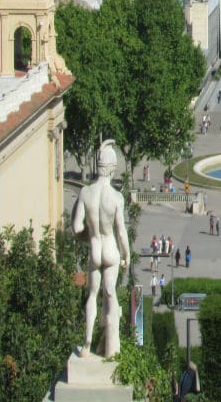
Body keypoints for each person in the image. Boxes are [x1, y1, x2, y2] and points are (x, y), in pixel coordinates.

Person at [72, 140, 130, 358]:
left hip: (95, 249)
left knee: (92, 295)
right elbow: (121, 231)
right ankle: (111, 347)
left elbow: (77, 227)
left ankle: (87, 342)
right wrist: (127, 254)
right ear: (113, 167)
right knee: (110, 293)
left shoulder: (85, 193)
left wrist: (90, 236)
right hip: (111, 250)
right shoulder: (116, 197)